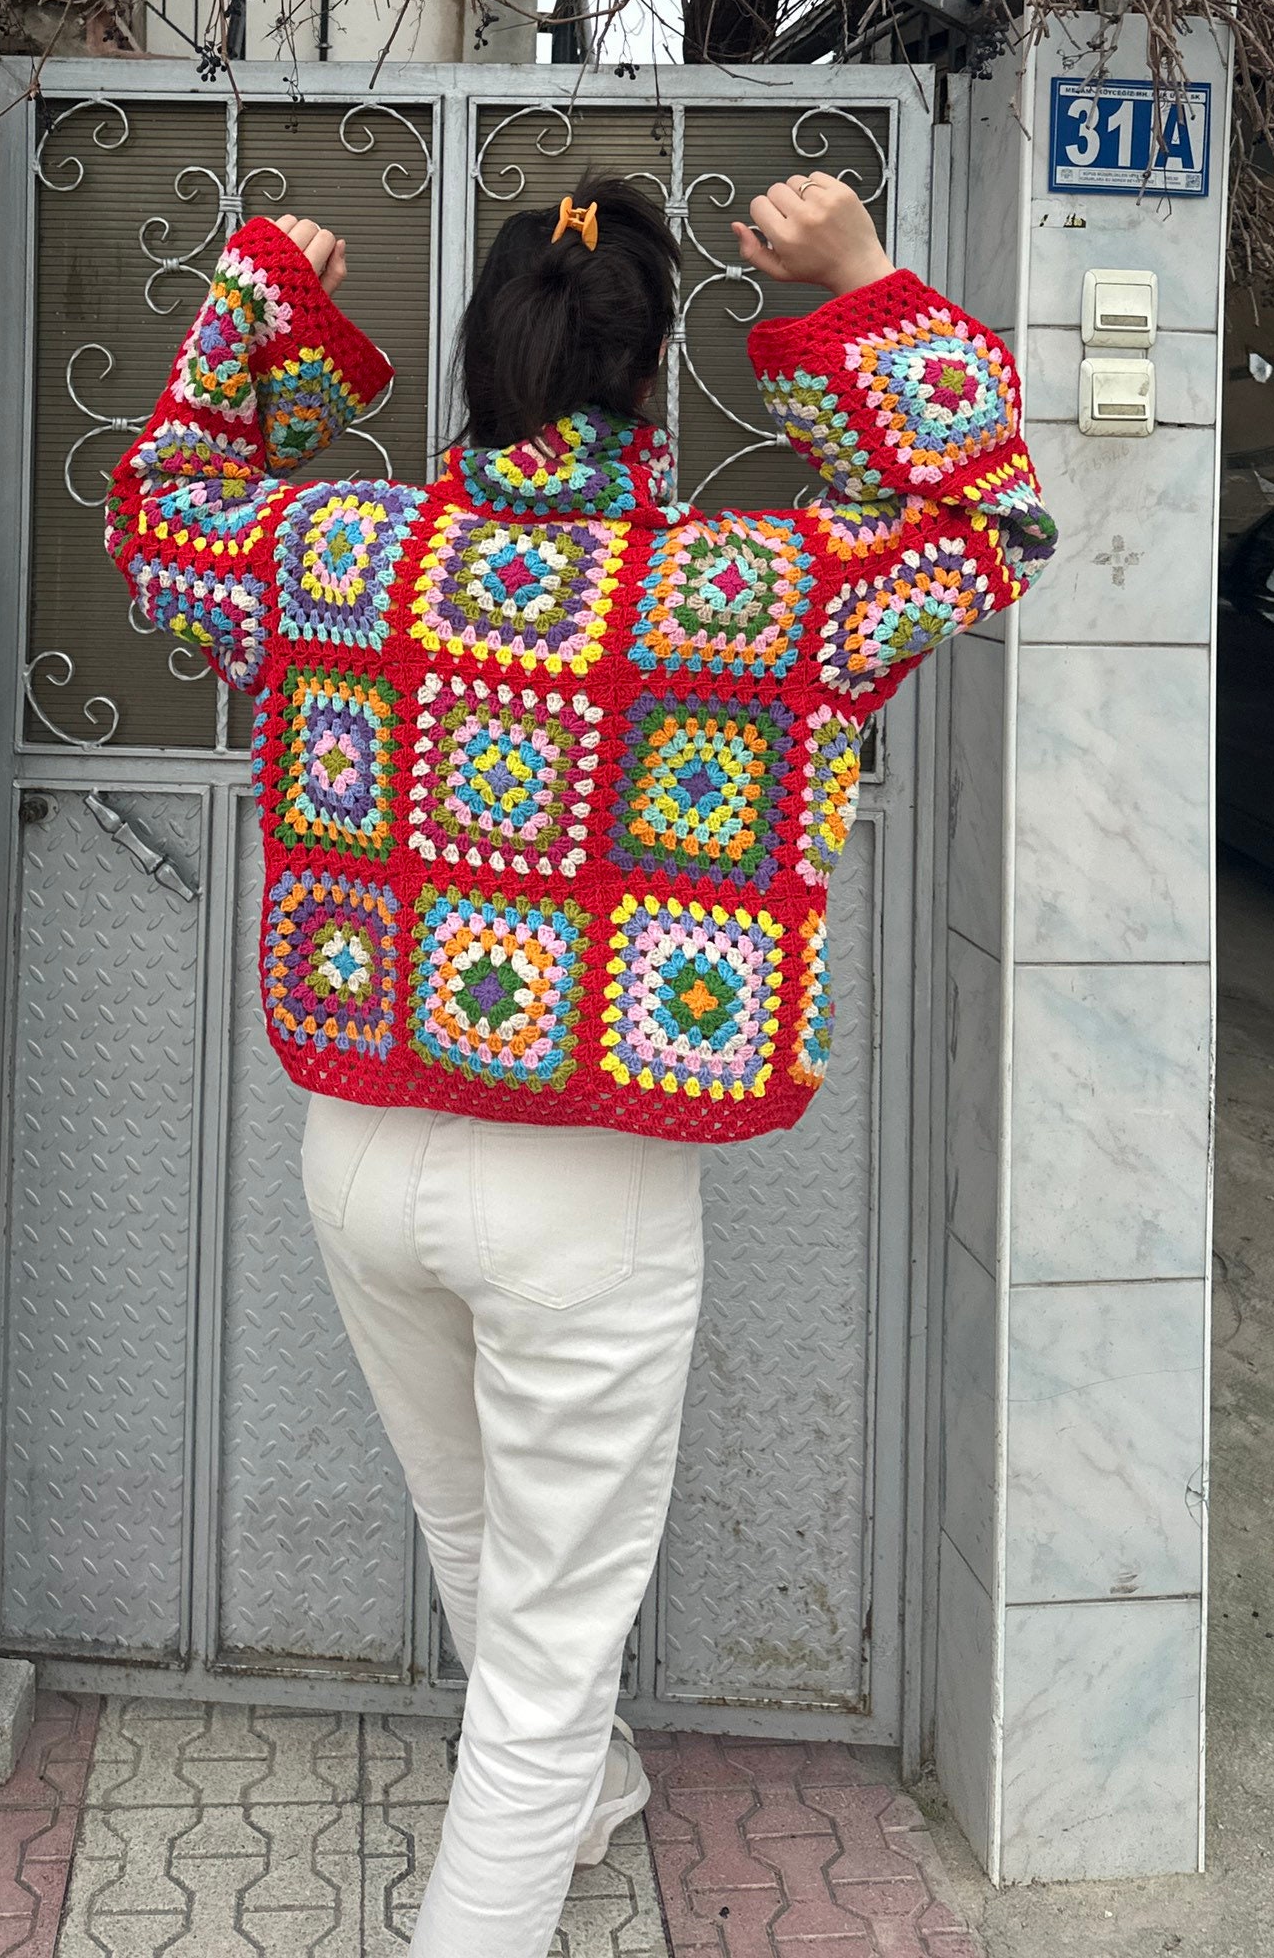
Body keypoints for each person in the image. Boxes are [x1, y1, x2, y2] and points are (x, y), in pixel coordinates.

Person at [107, 168, 1054, 1958]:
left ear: (482, 358)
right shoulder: (745, 586)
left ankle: (598, 1796)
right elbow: (985, 518)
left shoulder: (342, 551)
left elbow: (162, 504)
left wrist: (257, 306)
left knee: (478, 1537)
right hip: (589, 1188)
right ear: (653, 375)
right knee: (547, 1639)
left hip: (361, 1151)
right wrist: (853, 284)